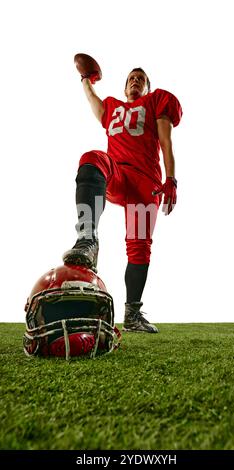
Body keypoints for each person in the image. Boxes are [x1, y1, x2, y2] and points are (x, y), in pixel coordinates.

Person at [63, 67, 183, 333]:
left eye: (141, 78)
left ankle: (132, 314)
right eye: (131, 78)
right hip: (117, 173)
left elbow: (166, 142)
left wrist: (171, 178)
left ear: (148, 87)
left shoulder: (155, 102)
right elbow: (94, 101)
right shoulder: (113, 108)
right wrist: (86, 79)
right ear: (124, 86)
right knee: (92, 158)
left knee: (139, 246)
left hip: (145, 184)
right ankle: (87, 239)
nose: (135, 81)